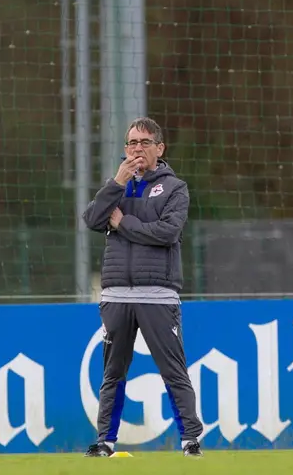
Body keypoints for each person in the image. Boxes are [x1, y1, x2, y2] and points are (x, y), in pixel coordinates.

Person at [81, 117, 204, 458]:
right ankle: (105, 441)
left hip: (158, 295)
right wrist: (115, 183)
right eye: (131, 143)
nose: (136, 149)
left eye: (144, 143)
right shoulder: (116, 188)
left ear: (159, 149)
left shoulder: (175, 188)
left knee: (173, 370)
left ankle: (190, 440)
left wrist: (122, 223)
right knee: (113, 372)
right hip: (116, 294)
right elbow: (91, 220)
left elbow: (167, 233)